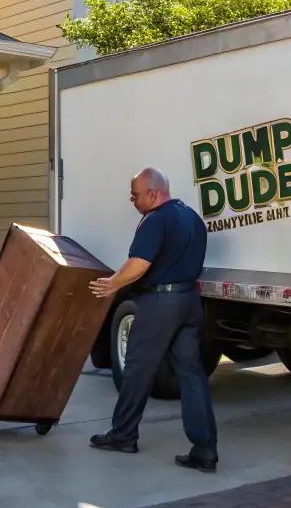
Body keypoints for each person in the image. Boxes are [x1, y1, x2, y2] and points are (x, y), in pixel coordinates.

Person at [87, 167, 218, 472]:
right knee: (192, 374)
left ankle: (123, 435)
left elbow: (139, 264)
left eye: (135, 195)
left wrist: (113, 284)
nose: (132, 201)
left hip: (160, 303)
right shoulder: (192, 218)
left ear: (153, 193)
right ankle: (205, 449)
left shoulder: (155, 220)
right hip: (189, 301)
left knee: (137, 370)